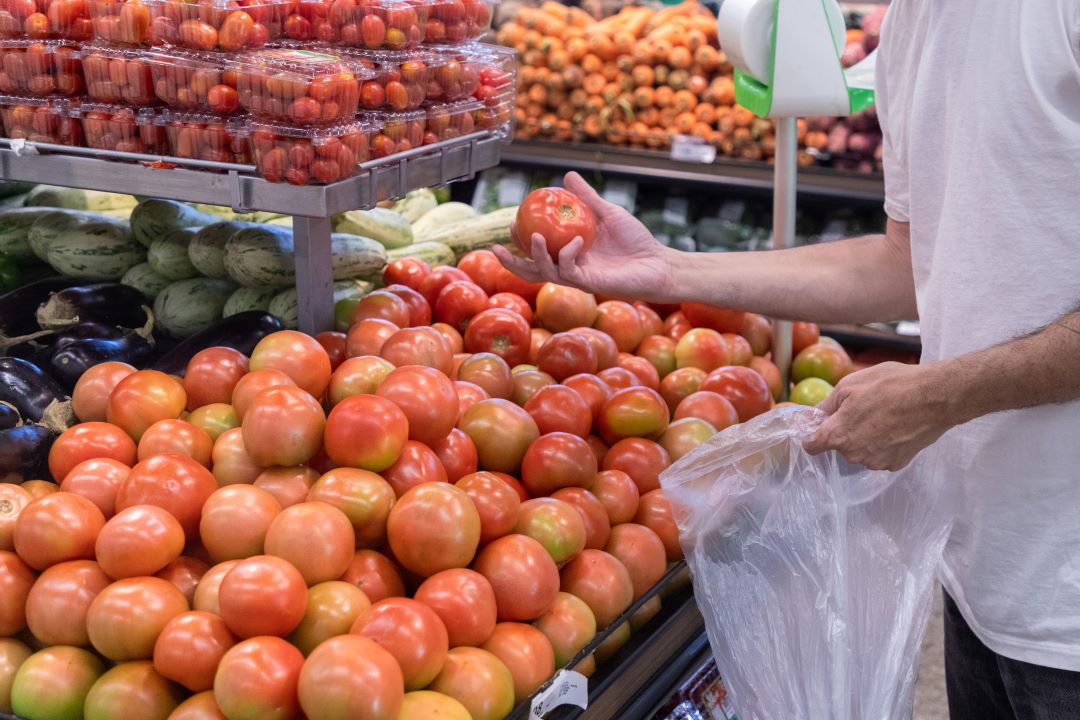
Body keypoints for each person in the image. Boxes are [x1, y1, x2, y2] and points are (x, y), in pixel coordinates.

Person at [494, 2, 1080, 716]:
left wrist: (942, 395)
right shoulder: (917, 25)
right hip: (986, 567)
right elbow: (904, 259)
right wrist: (672, 273)